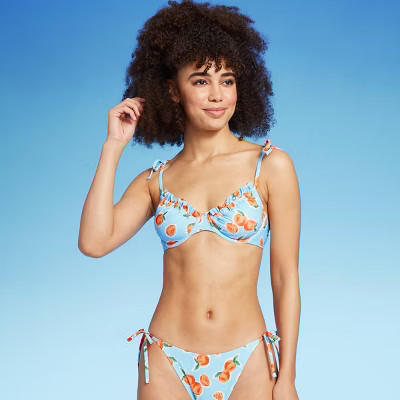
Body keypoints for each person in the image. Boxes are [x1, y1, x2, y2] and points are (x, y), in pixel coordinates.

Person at [78, 1, 301, 399]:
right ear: (172, 90)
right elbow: (94, 243)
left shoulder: (270, 166)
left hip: (249, 359)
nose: (217, 95)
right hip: (167, 359)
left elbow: (285, 277)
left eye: (227, 80)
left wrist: (287, 377)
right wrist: (113, 147)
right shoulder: (156, 181)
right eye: (200, 81)